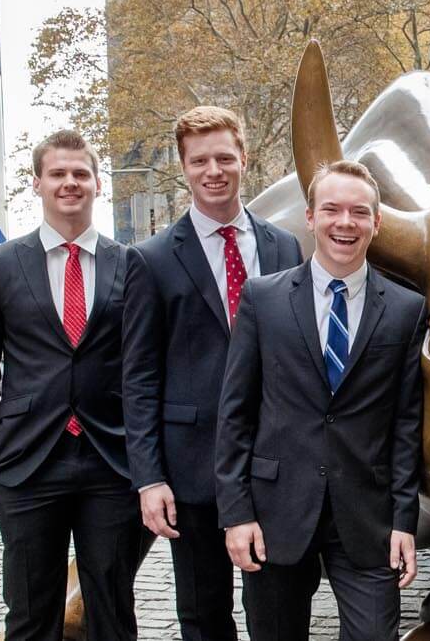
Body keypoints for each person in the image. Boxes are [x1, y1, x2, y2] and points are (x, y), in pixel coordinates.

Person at [215, 160, 427, 640]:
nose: (344, 222)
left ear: (377, 222)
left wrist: (404, 521)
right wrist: (237, 514)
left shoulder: (406, 309)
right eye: (331, 209)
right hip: (275, 513)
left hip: (368, 517)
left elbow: (406, 424)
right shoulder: (262, 299)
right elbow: (235, 415)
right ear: (310, 218)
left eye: (359, 212)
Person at [122, 106, 303, 640]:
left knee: (278, 614)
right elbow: (139, 378)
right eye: (200, 161)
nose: (214, 171)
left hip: (273, 462)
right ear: (184, 167)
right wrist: (149, 477)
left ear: (244, 157)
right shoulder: (150, 259)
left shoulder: (284, 246)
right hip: (191, 466)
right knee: (203, 618)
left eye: (224, 157)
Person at [0, 130, 141, 641]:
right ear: (37, 183)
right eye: (58, 173)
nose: (70, 183)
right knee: (29, 614)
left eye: (81, 173)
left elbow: (141, 367)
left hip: (110, 462)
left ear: (98, 183)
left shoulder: (128, 264)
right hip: (25, 464)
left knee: (112, 611)